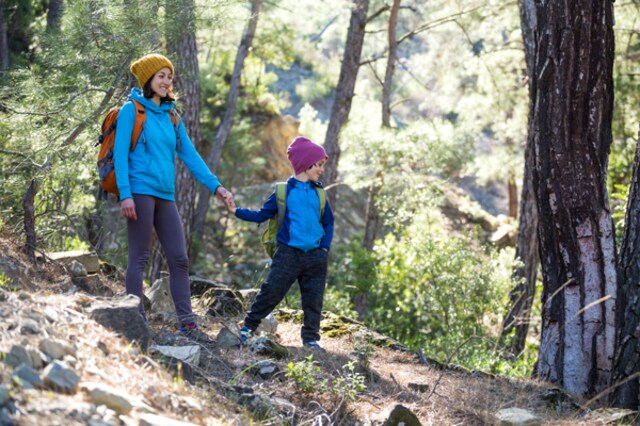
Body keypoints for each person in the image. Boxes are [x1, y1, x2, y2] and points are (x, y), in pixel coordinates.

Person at [114, 53, 232, 342]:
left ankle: (188, 323)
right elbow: (119, 155)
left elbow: (190, 156)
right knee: (138, 258)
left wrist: (217, 187)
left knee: (179, 259)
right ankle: (135, 320)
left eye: (169, 76)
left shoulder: (171, 115)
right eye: (161, 76)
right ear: (148, 81)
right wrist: (126, 195)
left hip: (166, 195)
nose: (167, 81)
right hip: (140, 191)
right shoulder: (131, 111)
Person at [224, 136, 334, 351]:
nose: (321, 170)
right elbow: (260, 215)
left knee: (314, 299)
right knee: (271, 291)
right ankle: (247, 327)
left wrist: (324, 247)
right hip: (288, 253)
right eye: (319, 165)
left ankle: (310, 339)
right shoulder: (283, 191)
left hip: (315, 256)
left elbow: (328, 222)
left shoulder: (319, 193)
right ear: (305, 163)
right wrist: (235, 211)